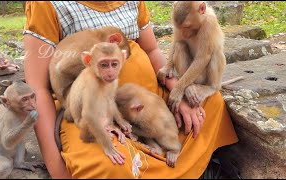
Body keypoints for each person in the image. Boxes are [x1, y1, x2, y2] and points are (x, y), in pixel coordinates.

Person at [23, 1, 238, 179]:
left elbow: (152, 50)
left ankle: (198, 167)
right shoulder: (48, 4)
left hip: (148, 96)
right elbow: (38, 88)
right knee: (108, 166)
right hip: (94, 107)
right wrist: (56, 167)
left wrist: (177, 92)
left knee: (211, 104)